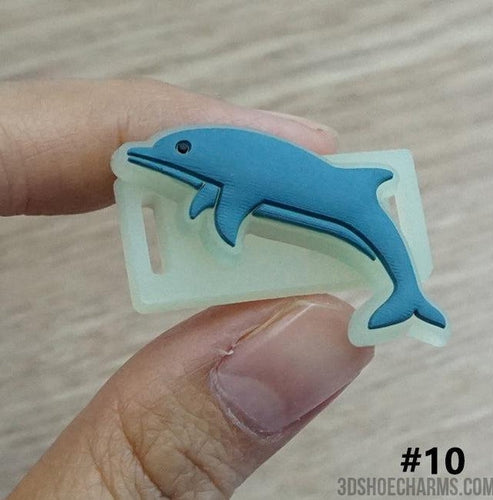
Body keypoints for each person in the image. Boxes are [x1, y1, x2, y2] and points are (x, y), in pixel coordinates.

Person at [2, 79, 373, 499]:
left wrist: (222, 215)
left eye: (182, 151)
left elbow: (235, 201)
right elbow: (224, 192)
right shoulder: (215, 174)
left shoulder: (235, 177)